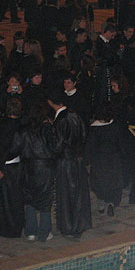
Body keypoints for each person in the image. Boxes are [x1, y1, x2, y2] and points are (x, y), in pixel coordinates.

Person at [48, 90, 92, 238]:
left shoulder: (60, 121)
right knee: (79, 193)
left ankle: (69, 225)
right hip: (78, 160)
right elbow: (84, 135)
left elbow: (57, 145)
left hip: (66, 162)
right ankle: (80, 223)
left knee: (66, 195)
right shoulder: (75, 116)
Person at [13, 102, 58, 242]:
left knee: (29, 198)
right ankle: (44, 232)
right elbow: (56, 147)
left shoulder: (23, 131)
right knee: (45, 200)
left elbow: (14, 149)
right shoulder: (48, 129)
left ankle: (30, 231)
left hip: (28, 167)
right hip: (45, 168)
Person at [0, 98, 25, 238]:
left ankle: (1, 226)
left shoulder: (1, 125)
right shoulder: (19, 127)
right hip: (12, 167)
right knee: (13, 199)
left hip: (5, 166)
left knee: (3, 199)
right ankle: (13, 227)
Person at [86, 103, 124, 217]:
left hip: (99, 161)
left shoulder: (94, 129)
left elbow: (90, 147)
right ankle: (112, 202)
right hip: (113, 159)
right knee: (113, 183)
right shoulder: (115, 127)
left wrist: (88, 160)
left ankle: (101, 205)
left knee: (99, 184)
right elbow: (121, 143)